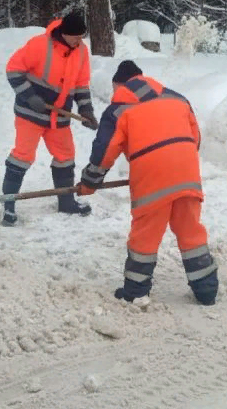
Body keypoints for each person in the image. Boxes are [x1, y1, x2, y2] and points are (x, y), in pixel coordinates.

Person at [77, 60, 219, 305]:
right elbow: (194, 138)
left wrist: (89, 183)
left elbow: (104, 152)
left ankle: (135, 292)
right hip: (187, 173)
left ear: (119, 84)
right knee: (190, 230)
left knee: (145, 235)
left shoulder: (119, 109)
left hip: (153, 179)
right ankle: (206, 292)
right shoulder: (177, 99)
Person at [2, 10, 99, 226]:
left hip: (59, 117)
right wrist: (29, 96)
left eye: (82, 37)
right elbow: (13, 70)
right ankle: (9, 204)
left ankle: (66, 201)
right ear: (64, 33)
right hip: (31, 113)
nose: (79, 42)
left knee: (66, 156)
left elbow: (81, 85)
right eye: (76, 37)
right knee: (23, 156)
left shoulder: (82, 52)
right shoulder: (39, 45)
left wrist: (86, 111)